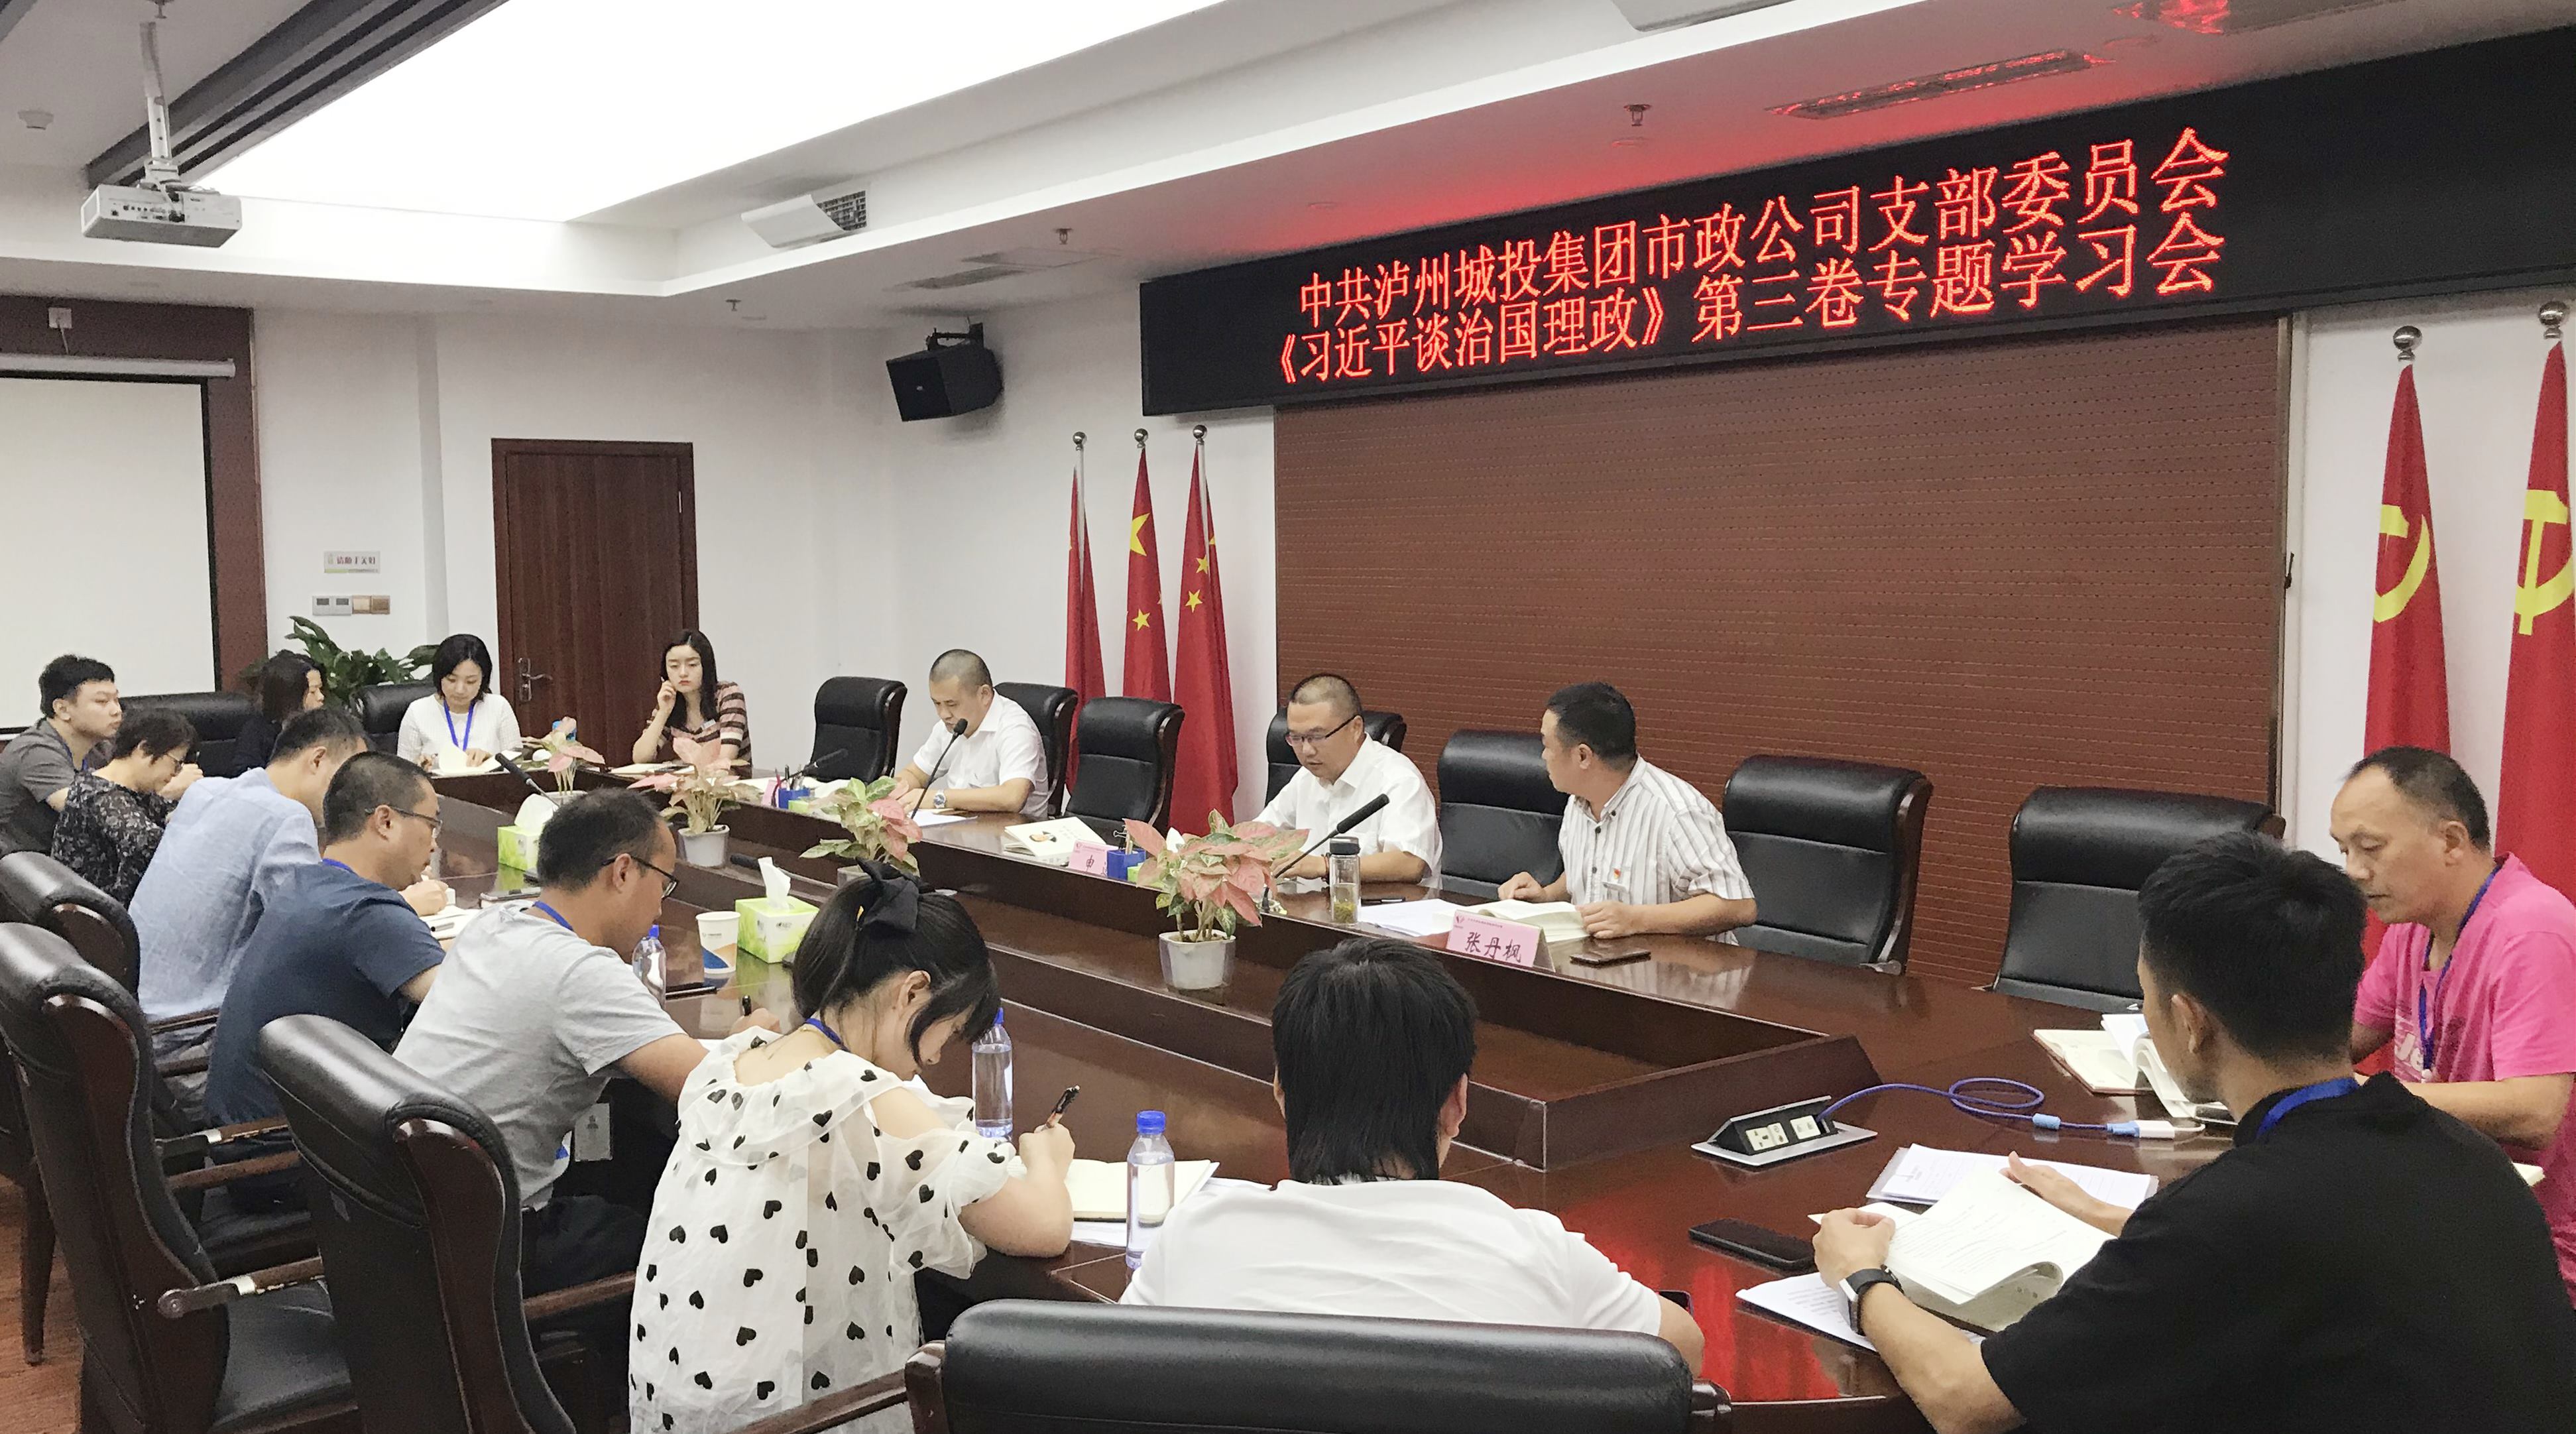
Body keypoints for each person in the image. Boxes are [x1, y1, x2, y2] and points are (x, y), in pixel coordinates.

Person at [1813, 834, 2576, 1434]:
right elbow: (2321, 1250)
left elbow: (1964, 1400)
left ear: (2188, 1021)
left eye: (2145, 998)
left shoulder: (2236, 1211)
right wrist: (2112, 1218)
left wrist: (1859, 1276)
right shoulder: (2462, 1155)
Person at [632, 862, 1074, 1434]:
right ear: (912, 992)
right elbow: (1043, 1226)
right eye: (947, 1031)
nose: (935, 1057)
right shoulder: (855, 1094)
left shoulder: (734, 1059)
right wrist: (1048, 1160)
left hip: (687, 1410)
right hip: (795, 1417)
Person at [1124, 937, 1702, 1372]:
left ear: (1280, 1090)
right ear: (1457, 1103)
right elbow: (1680, 1354)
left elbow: (1110, 1379)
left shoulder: (1192, 1238)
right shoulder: (1536, 1252)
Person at [395, 788, 774, 1301]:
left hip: (409, 1219)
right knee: (688, 1242)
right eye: (663, 883)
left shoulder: (492, 925)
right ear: (623, 872)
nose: (661, 904)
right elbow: (718, 1090)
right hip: (491, 1244)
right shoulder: (579, 971)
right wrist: (752, 1039)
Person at [2333, 746, 2576, 1298]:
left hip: (2537, 1258)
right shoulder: (2412, 929)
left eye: (2370, 848)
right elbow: (2336, 1045)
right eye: (2344, 850)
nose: (2354, 871)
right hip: (2446, 1217)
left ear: (2450, 840)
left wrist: (2365, 1093)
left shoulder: (2532, 931)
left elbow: (2536, 1109)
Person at [205, 752, 447, 1209]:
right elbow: (465, 1007)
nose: (434, 844)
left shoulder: (308, 882)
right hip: (287, 1157)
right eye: (431, 824)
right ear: (386, 822)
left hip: (239, 1141)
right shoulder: (367, 911)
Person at [133, 708, 416, 1042]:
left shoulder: (207, 791)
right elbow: (317, 930)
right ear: (317, 760)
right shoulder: (286, 816)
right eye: (347, 778)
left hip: (138, 1012)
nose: (352, 795)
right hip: (192, 1031)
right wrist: (401, 903)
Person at [1498, 682, 1753, 941]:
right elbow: (1590, 873)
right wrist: (1546, 897)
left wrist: (1636, 920)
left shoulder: (1678, 812)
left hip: (1675, 965)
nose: (1543, 756)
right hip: (1599, 960)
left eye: (1547, 745)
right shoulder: (1579, 800)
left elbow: (1738, 906)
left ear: (1583, 756)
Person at [1255, 675, 1439, 882]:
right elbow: (1260, 835)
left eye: (1317, 737)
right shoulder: (1306, 778)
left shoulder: (1399, 780)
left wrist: (1327, 866)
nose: (1306, 750)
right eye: (1296, 738)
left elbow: (1409, 863)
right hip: (1313, 902)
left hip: (1381, 903)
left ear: (1355, 728)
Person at [51, 706, 201, 904]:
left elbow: (167, 812)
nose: (176, 773)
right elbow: (146, 844)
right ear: (144, 749)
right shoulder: (98, 794)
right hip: (94, 913)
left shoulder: (136, 790)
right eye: (176, 763)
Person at [887, 650, 1048, 818]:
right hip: (963, 826)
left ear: (984, 695)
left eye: (952, 704)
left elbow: (1012, 797)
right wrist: (889, 793)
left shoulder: (1015, 728)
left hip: (1012, 831)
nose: (943, 714)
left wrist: (938, 798)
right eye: (937, 704)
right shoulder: (948, 726)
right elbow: (915, 774)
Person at [0, 654, 122, 857]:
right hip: (23, 865)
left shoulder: (101, 745)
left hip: (69, 858)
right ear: (62, 709)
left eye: (116, 700)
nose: (116, 710)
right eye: (102, 702)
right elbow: (82, 810)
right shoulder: (34, 750)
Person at [399, 632, 524, 770]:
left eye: (471, 681)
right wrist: (419, 768)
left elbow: (519, 767)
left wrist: (492, 760)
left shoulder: (499, 707)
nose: (460, 690)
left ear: (483, 679)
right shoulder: (418, 711)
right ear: (439, 676)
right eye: (451, 680)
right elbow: (401, 774)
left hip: (488, 784)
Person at [634, 630, 748, 767]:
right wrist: (663, 713)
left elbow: (726, 760)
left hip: (730, 780)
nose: (683, 673)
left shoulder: (728, 694)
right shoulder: (669, 701)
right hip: (692, 780)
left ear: (706, 667)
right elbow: (640, 758)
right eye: (674, 666)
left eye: (692, 665)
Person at [235, 651, 324, 771]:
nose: (321, 697)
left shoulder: (324, 727)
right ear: (291, 696)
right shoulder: (256, 732)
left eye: (321, 689)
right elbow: (246, 774)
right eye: (313, 691)